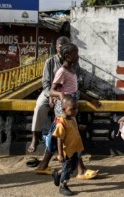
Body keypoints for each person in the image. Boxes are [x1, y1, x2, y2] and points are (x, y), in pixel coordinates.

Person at [37, 43, 101, 179]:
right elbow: (52, 90)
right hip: (64, 109)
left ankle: (43, 165)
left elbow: (75, 90)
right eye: (76, 54)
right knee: (70, 137)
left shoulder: (72, 70)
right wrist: (61, 96)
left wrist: (91, 100)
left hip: (71, 107)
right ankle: (80, 170)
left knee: (61, 137)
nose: (78, 56)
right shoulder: (62, 71)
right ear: (67, 56)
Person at [29, 36, 70, 154]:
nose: (62, 49)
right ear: (56, 47)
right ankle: (35, 137)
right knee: (39, 107)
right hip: (49, 93)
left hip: (65, 94)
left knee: (67, 114)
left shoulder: (72, 62)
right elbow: (46, 83)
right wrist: (52, 96)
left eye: (65, 46)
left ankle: (64, 144)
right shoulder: (50, 62)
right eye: (60, 46)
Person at [51, 96, 84, 196]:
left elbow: (72, 129)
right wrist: (60, 154)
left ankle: (58, 173)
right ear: (64, 109)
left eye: (76, 108)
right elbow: (59, 139)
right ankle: (63, 185)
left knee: (73, 167)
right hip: (67, 151)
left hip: (74, 148)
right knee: (67, 167)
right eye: (72, 109)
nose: (75, 111)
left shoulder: (72, 119)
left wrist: (79, 127)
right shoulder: (61, 123)